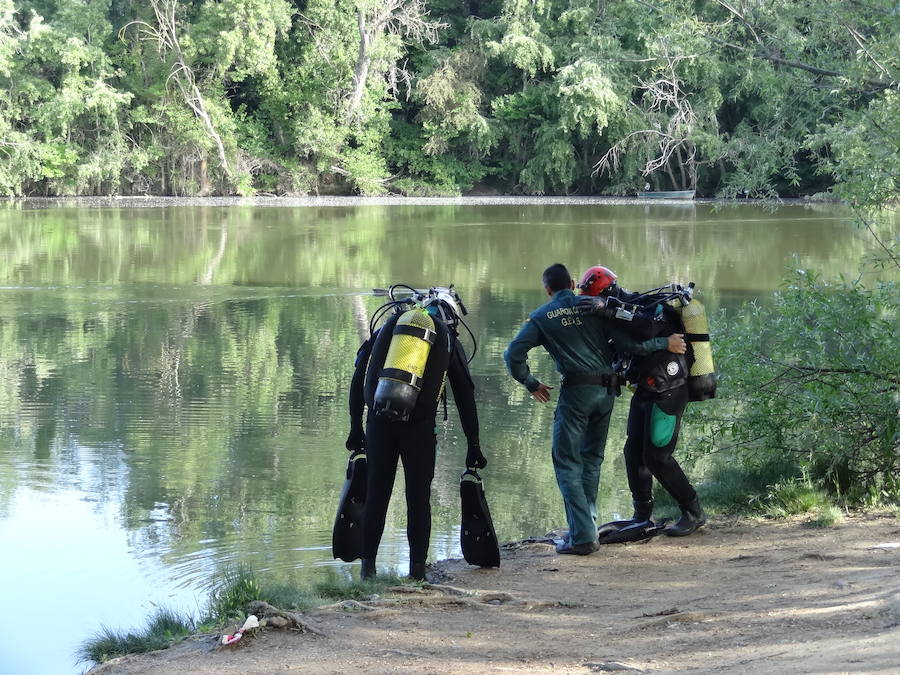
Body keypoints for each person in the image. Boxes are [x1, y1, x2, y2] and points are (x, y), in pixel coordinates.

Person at [503, 264, 685, 555]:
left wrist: (531, 382)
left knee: (566, 461)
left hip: (577, 394)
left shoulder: (541, 317)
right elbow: (631, 346)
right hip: (606, 393)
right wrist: (664, 342)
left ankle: (583, 537)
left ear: (548, 290)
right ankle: (587, 529)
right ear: (574, 283)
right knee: (592, 460)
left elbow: (512, 354)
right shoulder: (593, 307)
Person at [346, 287, 486, 580]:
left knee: (377, 494)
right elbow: (465, 395)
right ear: (450, 316)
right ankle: (417, 575)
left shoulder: (389, 327)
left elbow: (360, 375)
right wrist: (473, 445)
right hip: (419, 427)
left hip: (378, 421)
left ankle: (367, 573)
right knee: (418, 498)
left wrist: (355, 426)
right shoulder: (447, 339)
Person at [577, 265, 707, 537]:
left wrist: (609, 309)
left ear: (607, 293)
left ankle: (693, 511)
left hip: (670, 389)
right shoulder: (616, 313)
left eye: (596, 299)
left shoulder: (649, 306)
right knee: (633, 452)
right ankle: (642, 515)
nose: (595, 305)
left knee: (657, 456)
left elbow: (648, 329)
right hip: (646, 389)